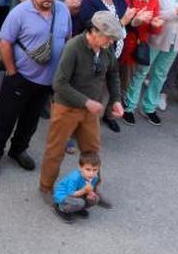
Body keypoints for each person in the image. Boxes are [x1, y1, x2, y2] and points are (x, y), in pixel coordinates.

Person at [0, 0, 71, 177]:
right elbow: (4, 43)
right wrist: (12, 71)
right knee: (5, 117)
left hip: (47, 80)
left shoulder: (63, 10)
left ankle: (18, 150)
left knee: (31, 120)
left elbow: (67, 39)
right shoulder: (19, 13)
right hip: (20, 76)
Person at [39, 11, 125, 213]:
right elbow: (59, 84)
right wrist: (86, 102)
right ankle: (46, 188)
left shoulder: (106, 49)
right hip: (66, 107)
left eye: (113, 38)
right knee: (55, 150)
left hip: (90, 110)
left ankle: (91, 188)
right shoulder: (74, 47)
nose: (111, 42)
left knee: (92, 151)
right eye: (108, 37)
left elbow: (113, 75)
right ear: (93, 31)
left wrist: (116, 100)